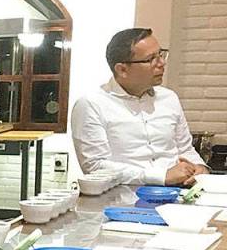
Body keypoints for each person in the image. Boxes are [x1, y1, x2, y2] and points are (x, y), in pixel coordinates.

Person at [71, 28, 208, 186]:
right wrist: (160, 176)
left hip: (178, 194)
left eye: (161, 54)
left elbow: (185, 149)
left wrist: (200, 168)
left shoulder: (169, 98)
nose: (162, 63)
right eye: (151, 59)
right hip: (123, 199)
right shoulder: (91, 104)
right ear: (122, 69)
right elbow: (95, 167)